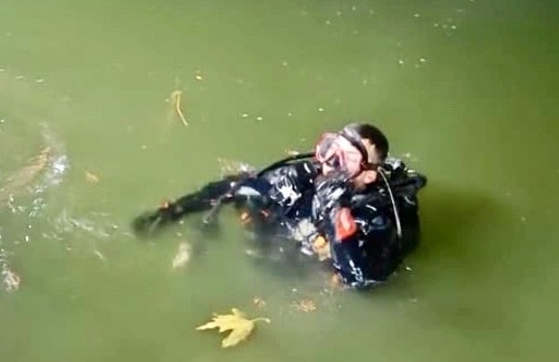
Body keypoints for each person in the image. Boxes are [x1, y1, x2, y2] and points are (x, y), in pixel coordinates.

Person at [132, 123, 426, 289]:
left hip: (312, 278)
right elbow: (235, 187)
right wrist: (175, 211)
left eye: (347, 158)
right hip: (274, 252)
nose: (332, 161)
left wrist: (340, 227)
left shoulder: (377, 216)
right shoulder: (302, 178)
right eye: (332, 149)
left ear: (369, 173)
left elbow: (362, 279)